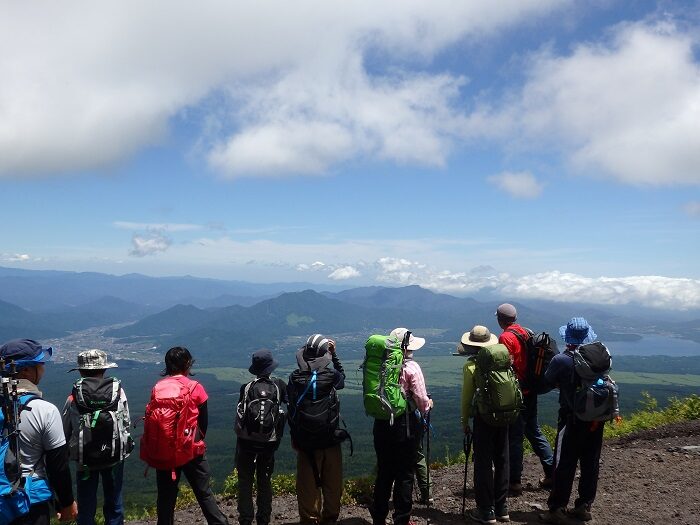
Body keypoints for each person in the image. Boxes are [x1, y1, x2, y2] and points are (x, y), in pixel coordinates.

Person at [0, 339, 78, 524]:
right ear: (26, 370)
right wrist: (66, 504)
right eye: (40, 363)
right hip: (29, 501)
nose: (43, 368)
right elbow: (58, 465)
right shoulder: (44, 410)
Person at [149, 347, 229, 525]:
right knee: (203, 493)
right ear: (187, 364)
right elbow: (203, 423)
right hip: (191, 449)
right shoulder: (195, 387)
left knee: (165, 497)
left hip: (165, 449)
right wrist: (195, 441)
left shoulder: (158, 388)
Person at [540, 318, 604, 524]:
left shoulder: (561, 360)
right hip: (596, 419)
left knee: (564, 463)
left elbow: (546, 382)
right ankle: (584, 506)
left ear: (567, 337)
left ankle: (557, 508)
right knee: (590, 462)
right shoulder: (598, 357)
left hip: (571, 419)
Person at [62, 349, 132, 525]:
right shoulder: (118, 393)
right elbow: (126, 423)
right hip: (114, 456)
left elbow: (65, 430)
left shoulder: (73, 397)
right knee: (114, 501)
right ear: (104, 369)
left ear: (80, 371)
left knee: (86, 506)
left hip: (84, 459)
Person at [371, 328, 432, 525]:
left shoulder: (379, 365)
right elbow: (422, 402)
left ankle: (379, 517)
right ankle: (402, 519)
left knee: (384, 472)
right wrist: (429, 404)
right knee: (405, 474)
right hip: (405, 427)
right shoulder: (412, 367)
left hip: (381, 424)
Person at [495, 303, 554, 495]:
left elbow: (504, 365)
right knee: (533, 430)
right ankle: (552, 471)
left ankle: (514, 481)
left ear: (500, 319)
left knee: (515, 437)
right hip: (532, 389)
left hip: (517, 392)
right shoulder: (526, 332)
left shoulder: (505, 337)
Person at [287, 334, 346, 525]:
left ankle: (310, 519)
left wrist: (295, 437)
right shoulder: (331, 377)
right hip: (329, 439)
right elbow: (342, 379)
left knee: (307, 486)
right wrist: (334, 355)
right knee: (332, 483)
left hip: (305, 442)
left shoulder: (295, 378)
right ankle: (330, 519)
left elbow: (291, 408)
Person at [459, 326, 509, 524]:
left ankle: (486, 510)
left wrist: (464, 421)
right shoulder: (504, 362)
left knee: (483, 463)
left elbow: (466, 398)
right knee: (502, 459)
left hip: (483, 419)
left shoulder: (472, 367)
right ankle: (502, 507)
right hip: (504, 416)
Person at [235, 349, 288, 525]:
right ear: (270, 368)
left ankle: (245, 518)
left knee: (245, 481)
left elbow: (241, 416)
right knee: (264, 480)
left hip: (245, 442)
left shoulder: (246, 388)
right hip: (268, 443)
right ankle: (263, 518)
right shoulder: (279, 386)